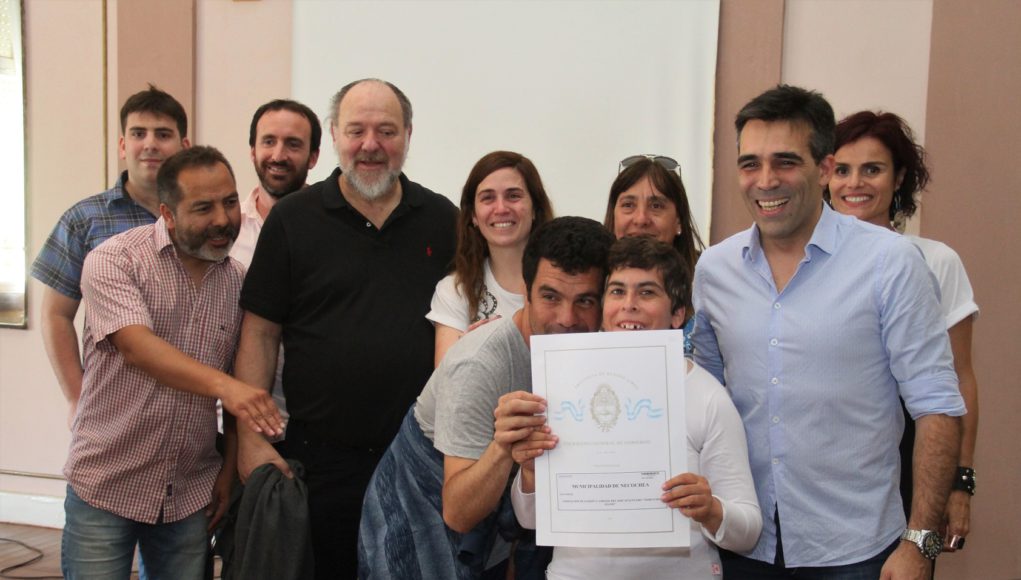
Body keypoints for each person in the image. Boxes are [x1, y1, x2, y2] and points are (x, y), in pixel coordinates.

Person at [691, 85, 965, 579]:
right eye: (750, 164)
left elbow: (937, 406)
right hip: (743, 545)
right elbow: (701, 400)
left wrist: (920, 543)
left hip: (856, 550)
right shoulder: (714, 270)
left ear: (824, 168)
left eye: (785, 162)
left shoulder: (890, 263)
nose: (765, 181)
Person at [234, 78, 458, 578]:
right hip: (319, 464)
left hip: (418, 458)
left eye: (386, 131)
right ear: (334, 135)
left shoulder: (443, 220)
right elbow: (260, 333)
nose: (370, 145)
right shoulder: (293, 220)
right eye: (356, 130)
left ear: (408, 135)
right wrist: (250, 438)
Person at [61, 146, 282, 579]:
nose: (223, 219)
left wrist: (226, 470)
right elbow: (137, 347)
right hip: (105, 484)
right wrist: (228, 388)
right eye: (203, 208)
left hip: (188, 492)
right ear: (168, 214)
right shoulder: (115, 260)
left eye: (229, 202)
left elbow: (239, 380)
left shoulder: (237, 281)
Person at [358, 217, 613, 579]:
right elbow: (458, 512)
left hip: (502, 521)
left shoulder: (601, 354)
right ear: (525, 291)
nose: (567, 318)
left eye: (585, 300)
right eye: (550, 297)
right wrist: (503, 447)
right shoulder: (478, 364)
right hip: (422, 510)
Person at [505, 236, 762, 579]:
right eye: (617, 291)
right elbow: (529, 519)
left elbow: (748, 532)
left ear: (678, 314)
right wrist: (531, 474)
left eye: (647, 292)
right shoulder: (563, 385)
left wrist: (712, 510)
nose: (629, 305)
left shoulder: (706, 396)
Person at [827, 110, 979, 553]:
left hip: (916, 459)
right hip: (830, 467)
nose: (854, 183)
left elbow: (961, 378)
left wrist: (961, 483)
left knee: (912, 565)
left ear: (898, 179)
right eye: (842, 170)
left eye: (872, 169)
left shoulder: (937, 260)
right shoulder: (802, 264)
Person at [31, 85, 190, 428]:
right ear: (122, 146)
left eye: (163, 134)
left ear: (184, 147)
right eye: (138, 133)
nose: (150, 144)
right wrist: (76, 396)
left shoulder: (202, 219)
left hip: (189, 406)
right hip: (111, 410)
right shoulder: (84, 220)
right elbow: (56, 314)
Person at [230, 99, 322, 428]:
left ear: (313, 157)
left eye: (293, 144)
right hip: (230, 420)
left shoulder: (331, 231)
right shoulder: (225, 230)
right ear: (252, 150)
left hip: (305, 419)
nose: (278, 155)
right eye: (269, 141)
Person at [428, 150, 554, 365]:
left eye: (513, 196)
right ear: (473, 216)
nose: (501, 208)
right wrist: (466, 353)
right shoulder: (455, 291)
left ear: (535, 208)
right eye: (488, 198)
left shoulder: (567, 283)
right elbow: (447, 379)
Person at [603, 155, 704, 352]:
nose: (641, 219)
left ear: (678, 221)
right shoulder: (591, 282)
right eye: (628, 205)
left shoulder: (709, 289)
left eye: (656, 206)